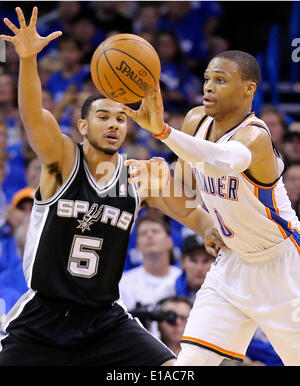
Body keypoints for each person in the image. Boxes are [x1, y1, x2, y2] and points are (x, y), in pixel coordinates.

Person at [0, 7, 222, 366]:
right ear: (83, 127)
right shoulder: (62, 161)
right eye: (103, 117)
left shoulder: (139, 175)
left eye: (121, 118)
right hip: (43, 319)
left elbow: (195, 217)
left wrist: (215, 231)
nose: (114, 125)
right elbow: (32, 115)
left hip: (104, 319)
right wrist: (27, 61)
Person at [124, 50, 300, 366]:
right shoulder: (195, 121)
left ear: (249, 88)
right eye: (207, 78)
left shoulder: (254, 135)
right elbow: (187, 197)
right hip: (231, 265)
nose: (209, 86)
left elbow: (219, 162)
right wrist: (159, 187)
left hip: (284, 266)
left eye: (220, 80)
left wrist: (163, 132)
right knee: (190, 363)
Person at [119, 213, 181, 312]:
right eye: (143, 233)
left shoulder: (182, 278)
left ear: (170, 241)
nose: (149, 235)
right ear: (138, 246)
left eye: (155, 231)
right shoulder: (124, 283)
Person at [175, 233, 215, 303]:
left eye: (206, 261)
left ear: (216, 263)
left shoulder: (226, 295)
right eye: (193, 260)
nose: (199, 268)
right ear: (182, 262)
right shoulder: (168, 291)